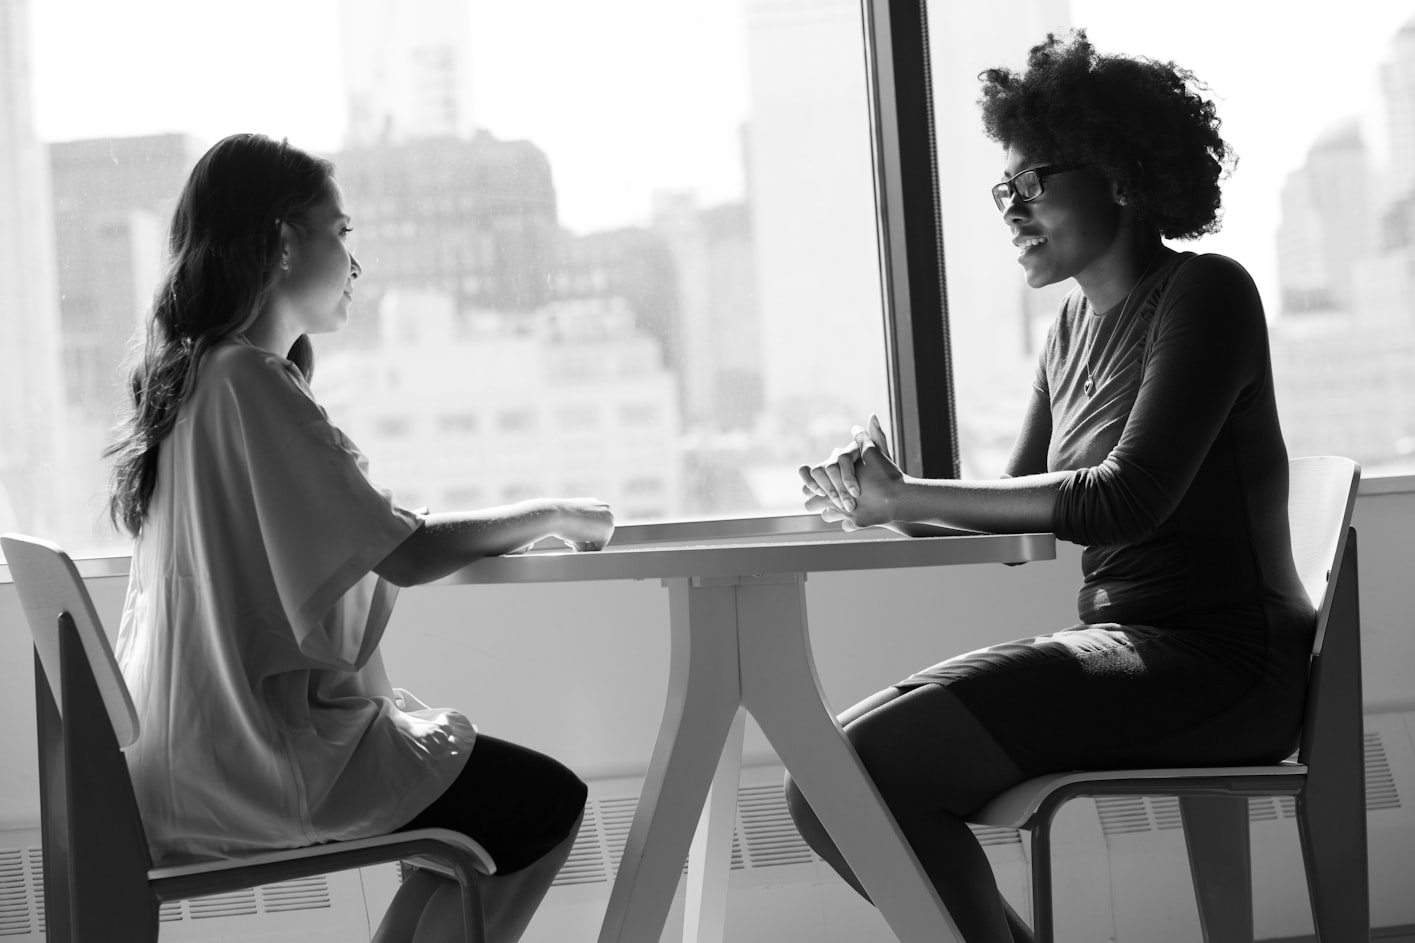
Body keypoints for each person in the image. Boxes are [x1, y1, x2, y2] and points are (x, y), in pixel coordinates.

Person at [788, 31, 1313, 943]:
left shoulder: (1207, 295)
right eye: (1006, 190)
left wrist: (910, 496)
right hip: (1125, 642)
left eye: (1032, 184)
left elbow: (1123, 499)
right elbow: (1020, 513)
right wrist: (879, 497)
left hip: (1223, 663)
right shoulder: (1069, 327)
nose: (1012, 210)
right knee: (822, 780)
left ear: (1116, 173)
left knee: (864, 773)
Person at [105, 133, 615, 943]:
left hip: (191, 755)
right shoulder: (248, 381)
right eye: (341, 233)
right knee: (543, 804)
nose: (355, 260)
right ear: (281, 241)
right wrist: (549, 512)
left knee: (463, 832)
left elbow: (356, 534)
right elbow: (402, 552)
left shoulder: (197, 378)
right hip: (256, 763)